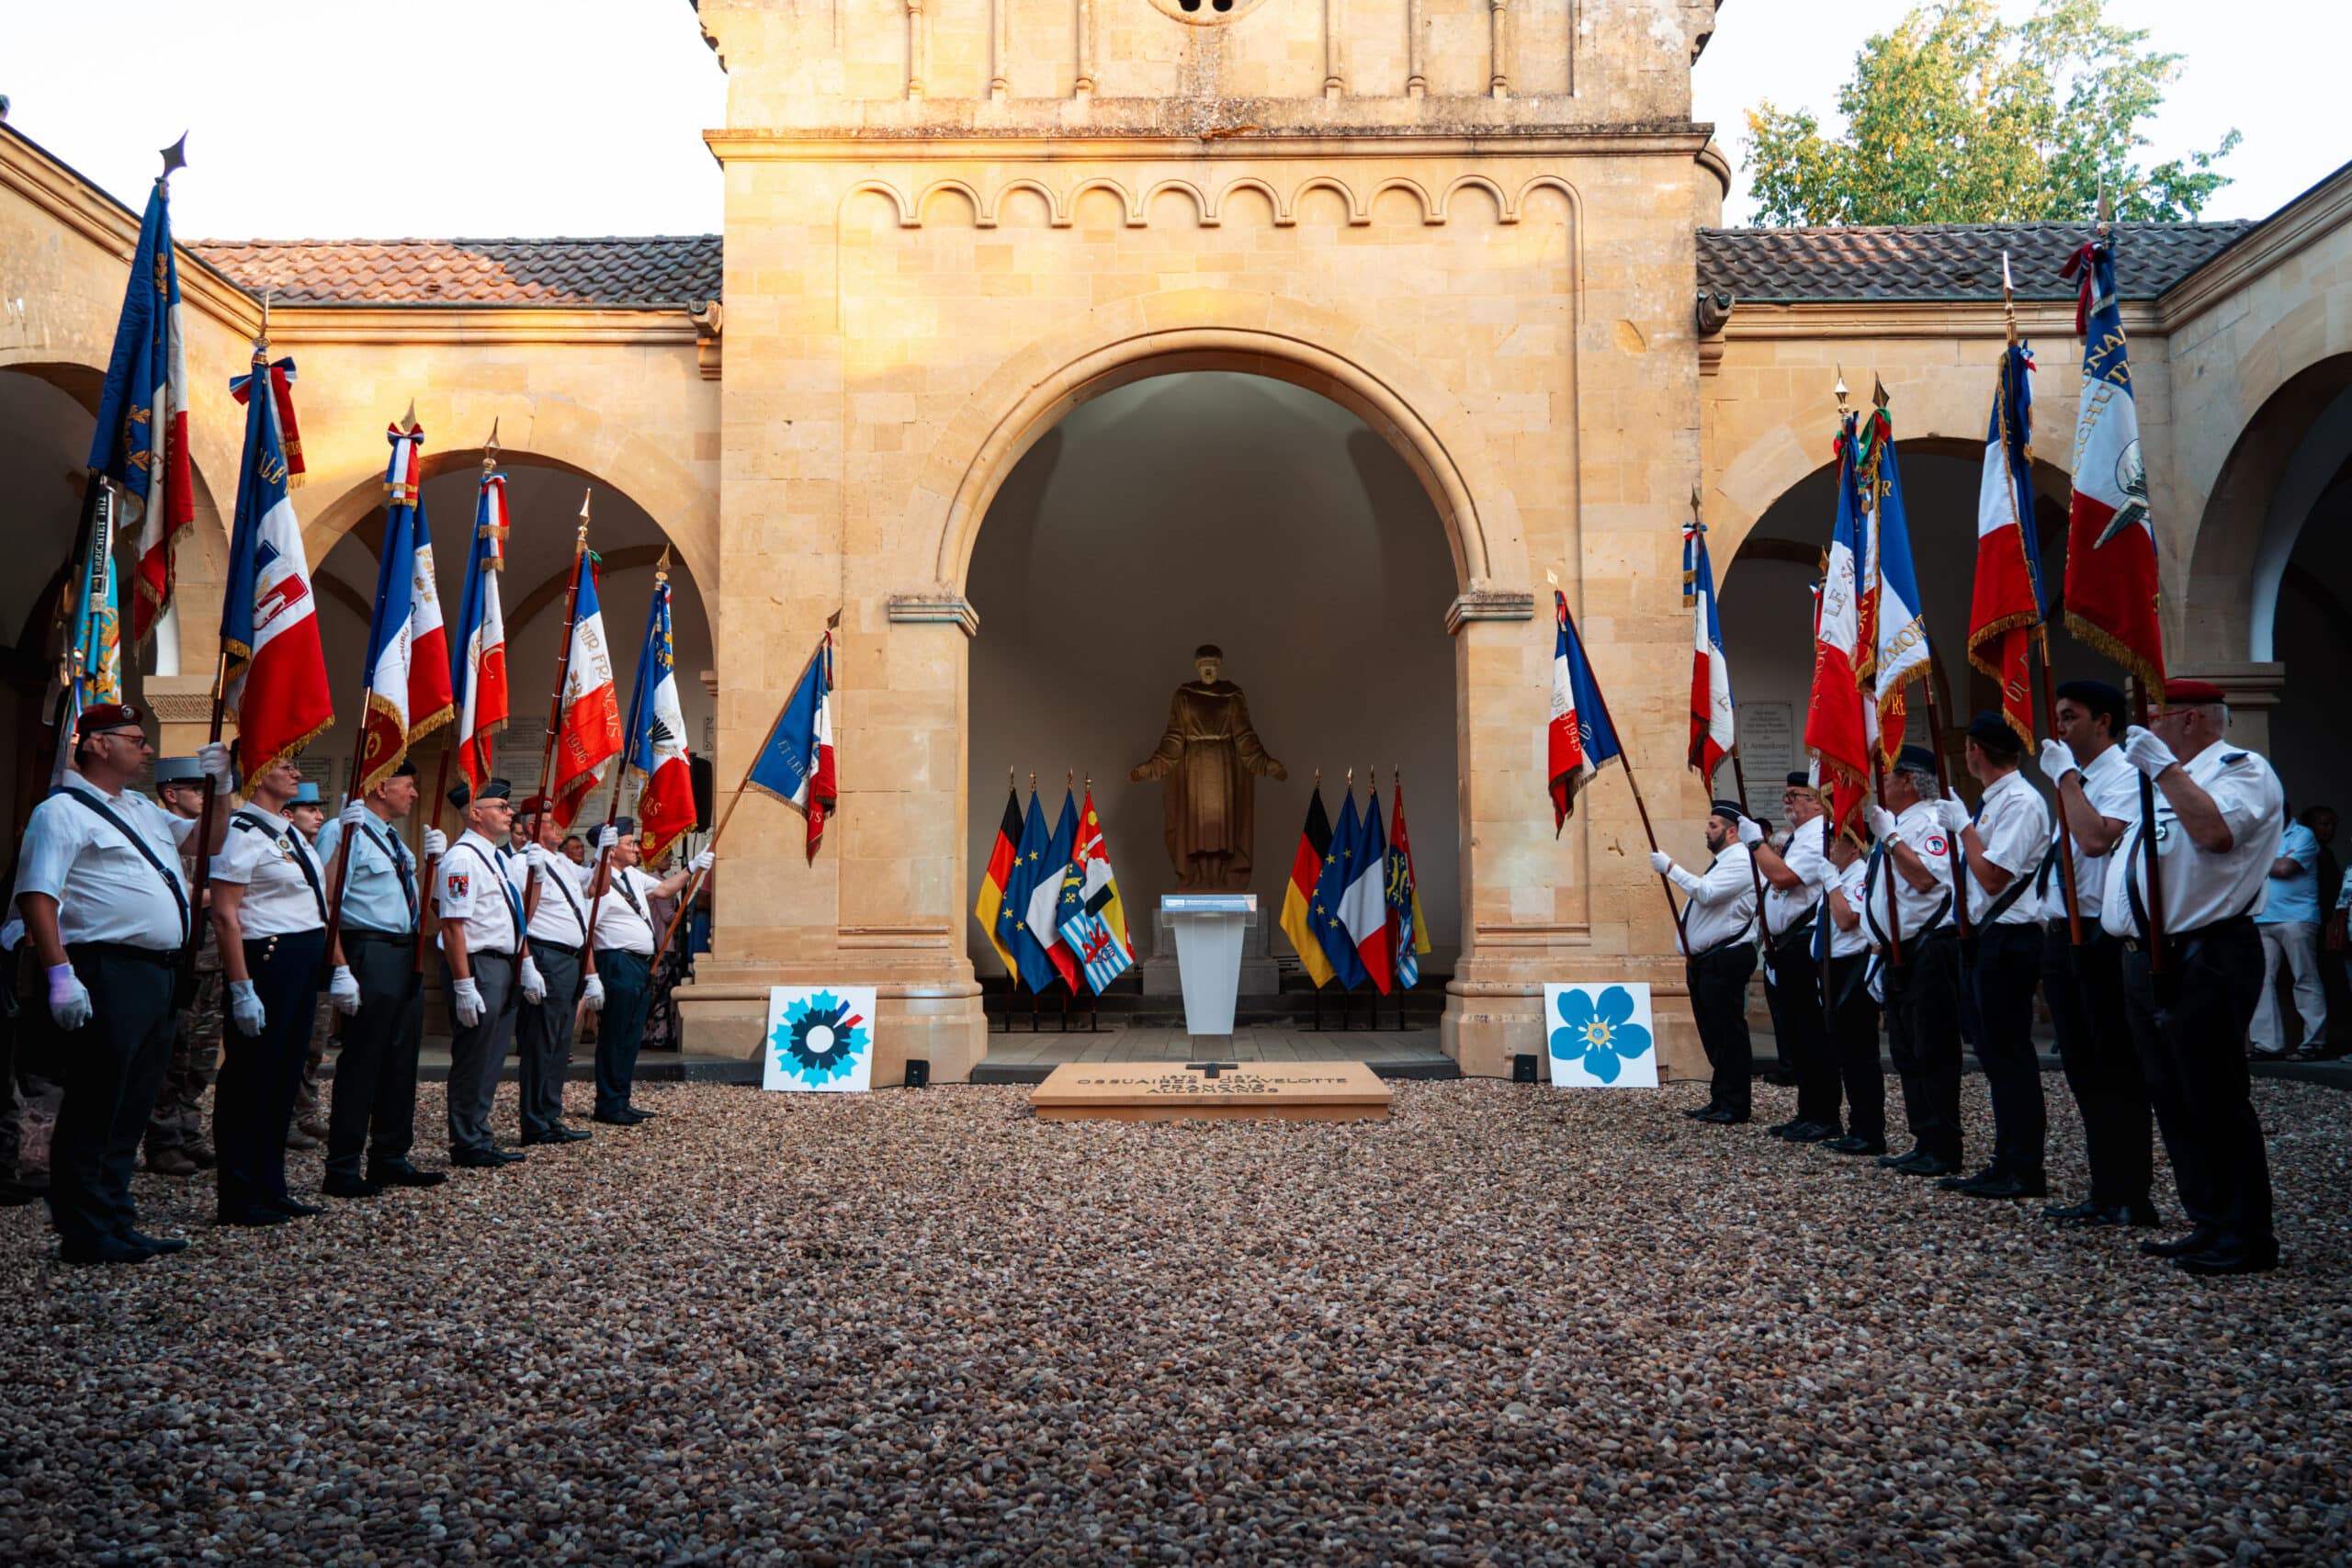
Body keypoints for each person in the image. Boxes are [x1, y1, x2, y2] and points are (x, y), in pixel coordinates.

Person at [14, 705, 231, 1263]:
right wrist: (60, 974)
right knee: (97, 1102)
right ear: (98, 745)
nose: (149, 750)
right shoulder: (60, 811)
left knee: (133, 1102)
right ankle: (84, 1230)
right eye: (137, 740)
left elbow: (209, 842)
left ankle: (115, 1216)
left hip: (157, 972)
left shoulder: (140, 808)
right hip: (105, 969)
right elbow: (39, 894)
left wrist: (223, 788)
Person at [2105, 679, 2286, 1276]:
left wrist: (2164, 772)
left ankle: (2245, 1234)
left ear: (2188, 719)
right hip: (2146, 953)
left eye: (2153, 717)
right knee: (2173, 1095)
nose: (2145, 729)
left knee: (2214, 1095)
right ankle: (2207, 1219)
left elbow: (2215, 832)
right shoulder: (2162, 780)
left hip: (2206, 952)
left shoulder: (2242, 768)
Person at [2035, 680, 2157, 1227]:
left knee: (2114, 1069)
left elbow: (2094, 840)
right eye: (2059, 717)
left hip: (2100, 938)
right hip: (2063, 935)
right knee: (2084, 1070)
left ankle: (2130, 1193)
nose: (2060, 728)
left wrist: (2063, 778)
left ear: (2103, 721)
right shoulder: (2082, 779)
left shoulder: (2125, 774)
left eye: (2071, 716)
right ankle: (2106, 1188)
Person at [313, 759, 447, 1197]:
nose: (413, 794)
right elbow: (328, 900)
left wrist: (432, 863)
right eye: (408, 785)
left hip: (403, 952)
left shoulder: (392, 838)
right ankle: (343, 1166)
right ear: (381, 785)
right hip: (367, 951)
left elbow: (404, 898)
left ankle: (390, 1155)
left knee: (399, 1062)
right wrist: (341, 969)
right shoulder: (344, 829)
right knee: (363, 1062)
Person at [209, 754, 334, 1226]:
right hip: (267, 961)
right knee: (250, 1080)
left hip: (300, 961)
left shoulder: (282, 832)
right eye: (285, 764)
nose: (297, 773)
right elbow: (225, 914)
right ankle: (238, 1195)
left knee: (284, 1076)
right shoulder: (241, 831)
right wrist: (241, 986)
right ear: (258, 772)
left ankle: (271, 1185)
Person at [1938, 713, 2052, 1201]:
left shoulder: (2022, 802)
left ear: (1975, 751)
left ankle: (2025, 1168)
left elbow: (1991, 877)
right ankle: (2004, 1160)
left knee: (2010, 1058)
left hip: (2011, 938)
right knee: (1994, 1057)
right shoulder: (1993, 802)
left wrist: (1962, 826)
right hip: (1987, 939)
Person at [1864, 746, 1964, 1179]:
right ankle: (1924, 1139)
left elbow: (1926, 879)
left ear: (1908, 780)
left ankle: (1943, 1145)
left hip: (1928, 948)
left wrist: (1890, 839)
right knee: (1906, 1050)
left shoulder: (1929, 821)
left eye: (1888, 776)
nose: (1881, 784)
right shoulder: (1901, 823)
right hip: (1897, 953)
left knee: (1933, 1049)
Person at [588, 822, 711, 1122]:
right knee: (615, 1035)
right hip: (616, 962)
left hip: (639, 964)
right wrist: (591, 977)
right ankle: (608, 1104)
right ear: (611, 848)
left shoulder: (631, 875)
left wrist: (693, 867)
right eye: (629, 843)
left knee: (631, 1036)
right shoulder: (598, 883)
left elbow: (663, 889)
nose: (636, 848)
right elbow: (587, 933)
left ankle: (621, 1098)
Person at [438, 777, 531, 1168]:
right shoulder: (462, 859)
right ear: (475, 814)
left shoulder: (493, 856)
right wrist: (463, 984)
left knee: (492, 1056)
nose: (510, 814)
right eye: (502, 808)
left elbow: (516, 913)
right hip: (480, 965)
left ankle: (479, 1134)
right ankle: (467, 1141)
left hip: (502, 964)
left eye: (509, 809)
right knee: (475, 1056)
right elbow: (452, 925)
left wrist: (524, 963)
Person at [1652, 802, 1758, 1124]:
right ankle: (1721, 1096)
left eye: (1713, 825)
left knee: (1728, 1033)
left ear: (1732, 831)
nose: (1706, 830)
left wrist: (1671, 867)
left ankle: (1736, 1103)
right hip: (1707, 960)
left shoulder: (1740, 860)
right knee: (1713, 1033)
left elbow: (1707, 893)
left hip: (1725, 958)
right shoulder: (1723, 861)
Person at [141, 756, 222, 1179]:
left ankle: (189, 1133)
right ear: (171, 794)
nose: (204, 798)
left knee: (201, 1060)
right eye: (197, 791)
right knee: (171, 1059)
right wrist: (217, 897)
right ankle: (163, 1141)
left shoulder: (208, 838)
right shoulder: (159, 838)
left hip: (211, 963)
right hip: (180, 964)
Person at [1744, 775, 1838, 1140]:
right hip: (1785, 944)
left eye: (1794, 796)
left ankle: (1824, 1114)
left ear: (1817, 802)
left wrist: (1755, 841)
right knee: (1797, 1033)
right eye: (1786, 795)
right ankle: (1808, 1111)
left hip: (1805, 941)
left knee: (1812, 1034)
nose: (1788, 802)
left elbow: (1784, 877)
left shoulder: (1819, 836)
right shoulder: (1801, 835)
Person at [514, 799, 606, 1147]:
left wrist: (605, 852)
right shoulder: (523, 861)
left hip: (571, 959)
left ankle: (550, 1115)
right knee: (541, 1042)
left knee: (558, 1042)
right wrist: (527, 963)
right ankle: (534, 1120)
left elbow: (599, 887)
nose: (557, 828)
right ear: (533, 827)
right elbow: (521, 915)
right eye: (549, 822)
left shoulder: (564, 863)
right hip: (546, 956)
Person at [1815, 826, 1886, 1156]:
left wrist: (1831, 883)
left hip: (1853, 967)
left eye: (1835, 841)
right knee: (1846, 1054)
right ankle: (1857, 1125)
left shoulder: (1858, 876)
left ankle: (1869, 1130)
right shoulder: (1843, 874)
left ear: (1855, 847)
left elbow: (1846, 920)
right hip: (1834, 968)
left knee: (1860, 1055)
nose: (1829, 846)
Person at [2250, 799, 2327, 1059]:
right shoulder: (2261, 836)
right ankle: (2267, 1044)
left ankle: (2314, 1043)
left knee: (2305, 978)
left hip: (2297, 917)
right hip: (2261, 918)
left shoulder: (2303, 834)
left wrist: (2256, 860)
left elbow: (2285, 868)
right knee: (2261, 981)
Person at [284, 780, 332, 1152]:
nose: (319, 816)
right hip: (284, 957)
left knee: (312, 1044)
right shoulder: (278, 848)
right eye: (310, 809)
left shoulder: (310, 850)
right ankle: (283, 1118)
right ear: (288, 813)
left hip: (316, 957)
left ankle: (304, 1112)